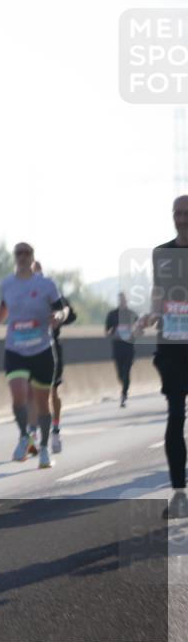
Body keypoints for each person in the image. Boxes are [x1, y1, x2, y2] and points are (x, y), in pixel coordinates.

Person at [0, 243, 67, 469]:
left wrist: (59, 316)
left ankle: (42, 449)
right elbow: (3, 306)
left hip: (41, 350)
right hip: (15, 349)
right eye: (18, 253)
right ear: (15, 258)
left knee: (42, 404)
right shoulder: (7, 284)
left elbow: (63, 308)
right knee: (18, 396)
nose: (22, 257)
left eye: (26, 253)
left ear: (33, 257)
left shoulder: (46, 284)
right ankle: (25, 436)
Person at [136, 195, 188, 520]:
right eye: (177, 213)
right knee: (175, 415)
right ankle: (179, 493)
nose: (181, 218)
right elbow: (159, 295)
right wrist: (150, 317)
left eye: (186, 213)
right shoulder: (162, 254)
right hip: (171, 346)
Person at [25, 261, 74, 453]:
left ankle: (55, 430)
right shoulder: (23, 296)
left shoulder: (51, 293)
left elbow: (68, 312)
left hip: (51, 349)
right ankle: (32, 435)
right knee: (31, 392)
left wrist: (59, 317)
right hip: (29, 349)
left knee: (52, 393)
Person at [105, 292, 139, 407]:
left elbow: (139, 327)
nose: (122, 301)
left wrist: (135, 332)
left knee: (127, 371)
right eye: (121, 300)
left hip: (129, 347)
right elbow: (106, 331)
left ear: (127, 301)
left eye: (124, 299)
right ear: (118, 301)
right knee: (120, 374)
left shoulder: (132, 314)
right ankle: (124, 387)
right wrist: (112, 333)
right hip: (117, 347)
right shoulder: (112, 314)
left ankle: (124, 394)